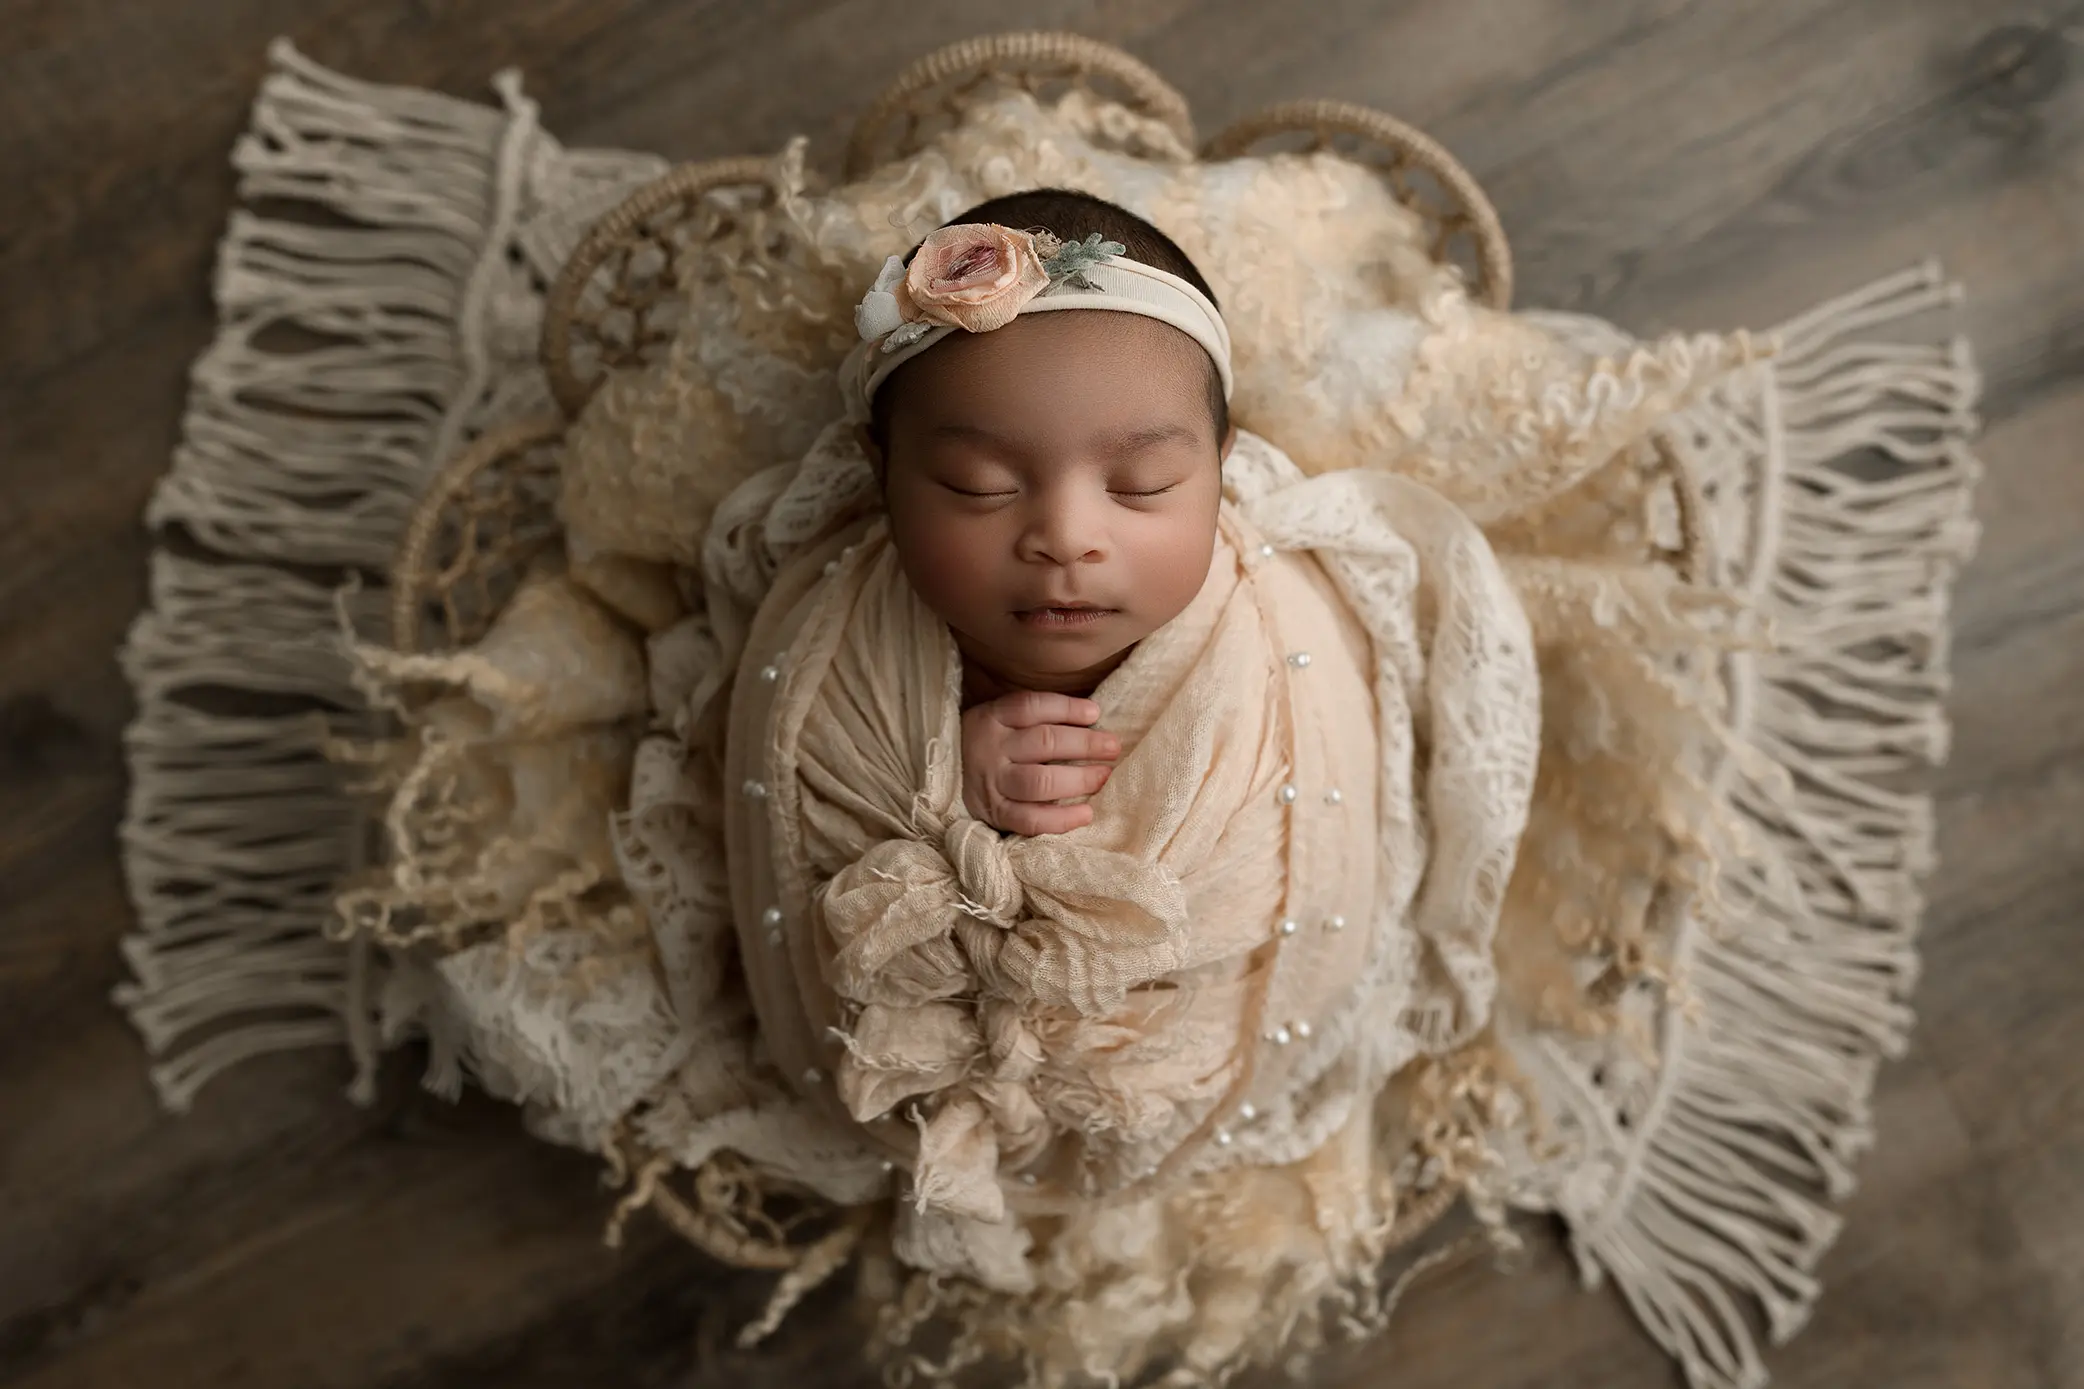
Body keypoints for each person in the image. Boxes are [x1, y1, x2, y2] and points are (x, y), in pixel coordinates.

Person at [849, 189, 1238, 837]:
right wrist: (935, 787)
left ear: (1223, 470)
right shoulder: (853, 657)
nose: (1065, 539)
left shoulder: (1262, 644)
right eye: (980, 486)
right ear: (880, 473)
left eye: (1143, 484)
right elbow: (801, 805)